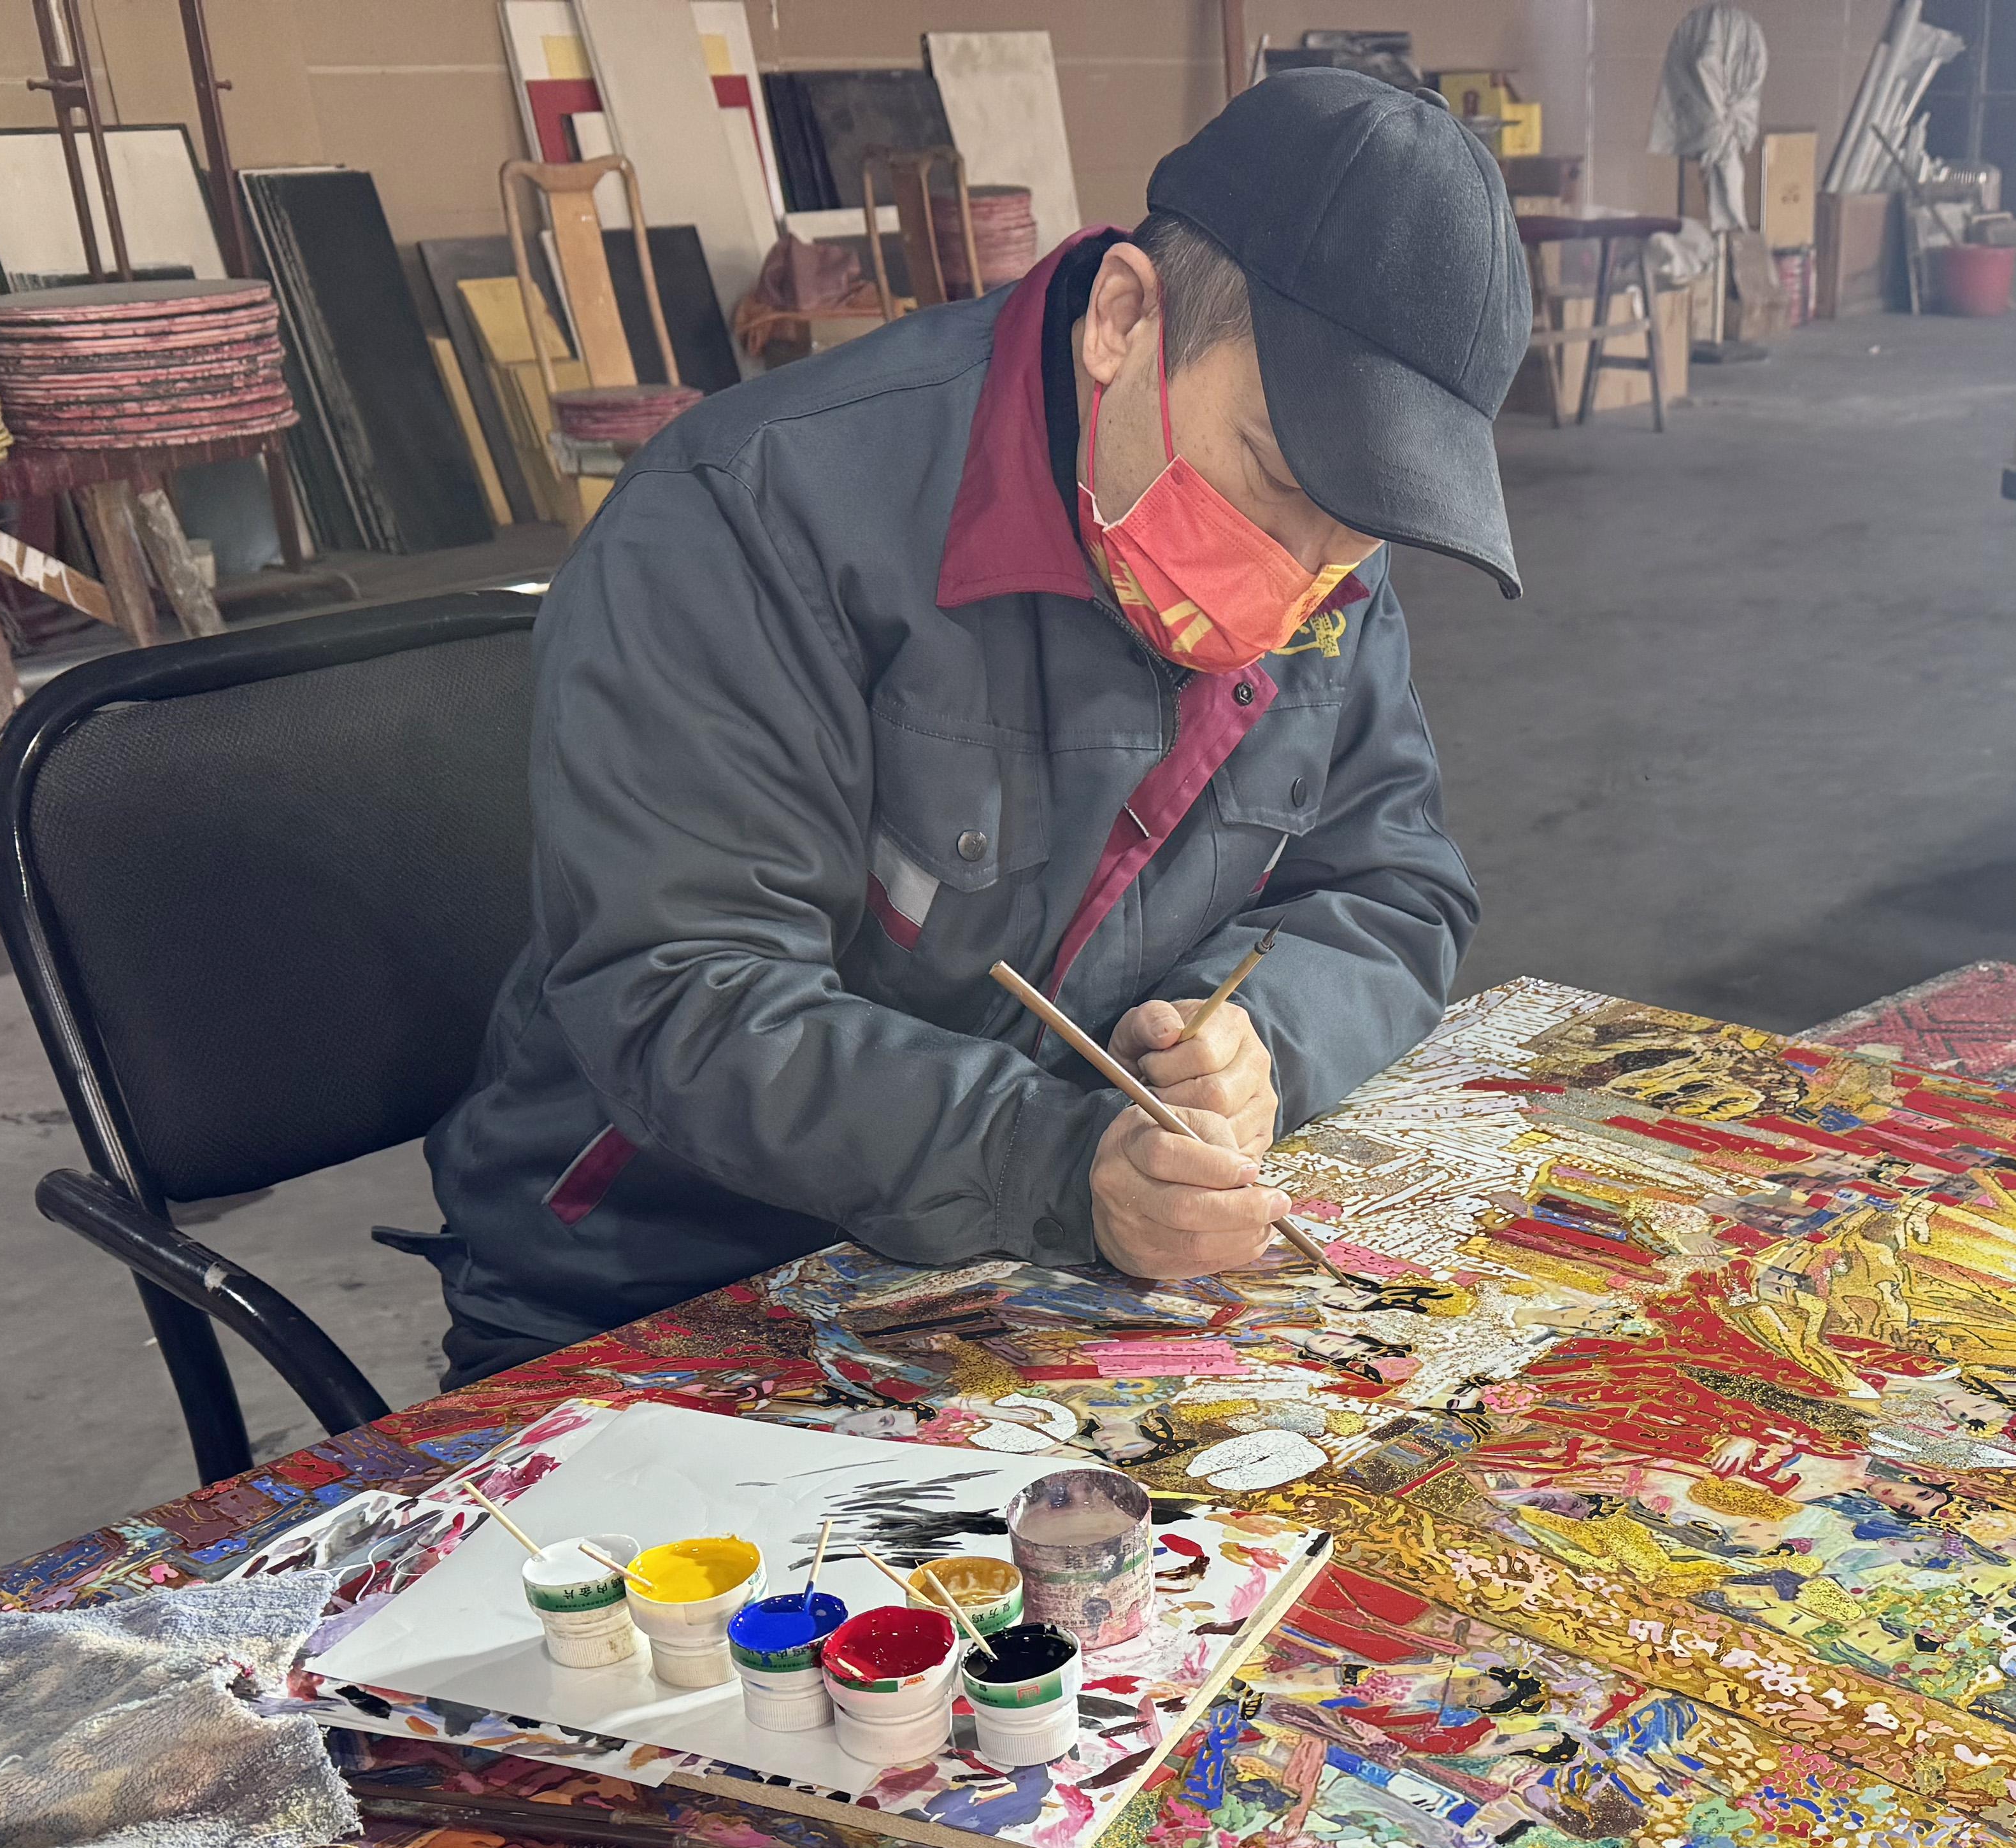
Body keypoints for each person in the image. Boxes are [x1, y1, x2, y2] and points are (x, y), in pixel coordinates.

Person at [415, 73, 1533, 1382]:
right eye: (1276, 478)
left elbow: (1391, 883)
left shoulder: (1325, 556)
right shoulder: (746, 518)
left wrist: (1253, 1044)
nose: (1301, 575)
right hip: (683, 1278)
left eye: (1360, 527)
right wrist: (1056, 1162)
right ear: (1123, 320)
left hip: (1044, 1272)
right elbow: (683, 995)